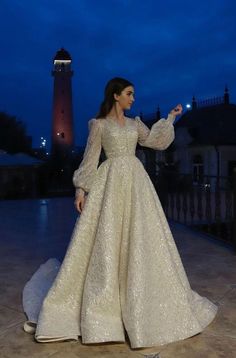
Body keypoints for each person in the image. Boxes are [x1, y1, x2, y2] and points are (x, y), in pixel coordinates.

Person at [23, 77, 218, 348]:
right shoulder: (99, 125)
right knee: (108, 239)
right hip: (110, 183)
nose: (133, 98)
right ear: (116, 95)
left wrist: (171, 119)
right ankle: (105, 311)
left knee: (140, 238)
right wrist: (81, 190)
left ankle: (140, 302)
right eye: (129, 93)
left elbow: (154, 142)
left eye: (134, 94)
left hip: (137, 184)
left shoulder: (136, 124)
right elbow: (90, 158)